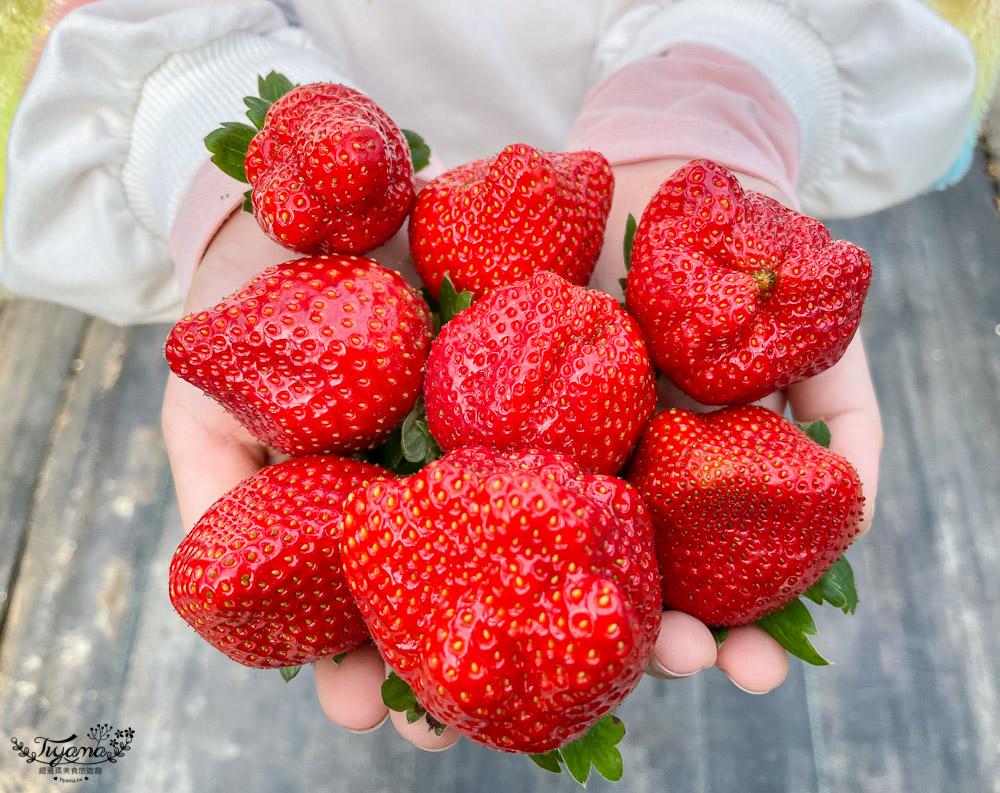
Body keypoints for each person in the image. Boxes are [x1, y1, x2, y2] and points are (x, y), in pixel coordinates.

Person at [1, 0, 996, 752]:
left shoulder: (431, 470)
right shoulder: (393, 350)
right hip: (367, 179)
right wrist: (215, 173)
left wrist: (717, 93)